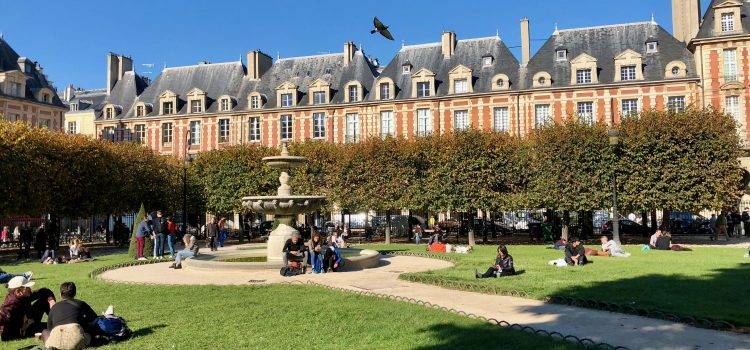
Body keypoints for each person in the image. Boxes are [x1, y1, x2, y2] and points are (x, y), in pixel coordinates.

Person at [42, 282, 97, 348]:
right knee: (89, 332)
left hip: (55, 344)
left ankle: (50, 345)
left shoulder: (54, 307)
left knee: (45, 332)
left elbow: (49, 329)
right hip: (76, 341)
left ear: (60, 294)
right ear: (75, 293)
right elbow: (94, 317)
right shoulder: (81, 304)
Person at [0, 276, 56, 341]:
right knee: (52, 327)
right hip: (23, 329)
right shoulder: (11, 303)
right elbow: (2, 316)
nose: (30, 289)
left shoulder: (24, 295)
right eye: (27, 287)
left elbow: (45, 291)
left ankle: (57, 320)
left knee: (43, 301)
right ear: (19, 291)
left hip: (29, 321)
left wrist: (51, 301)